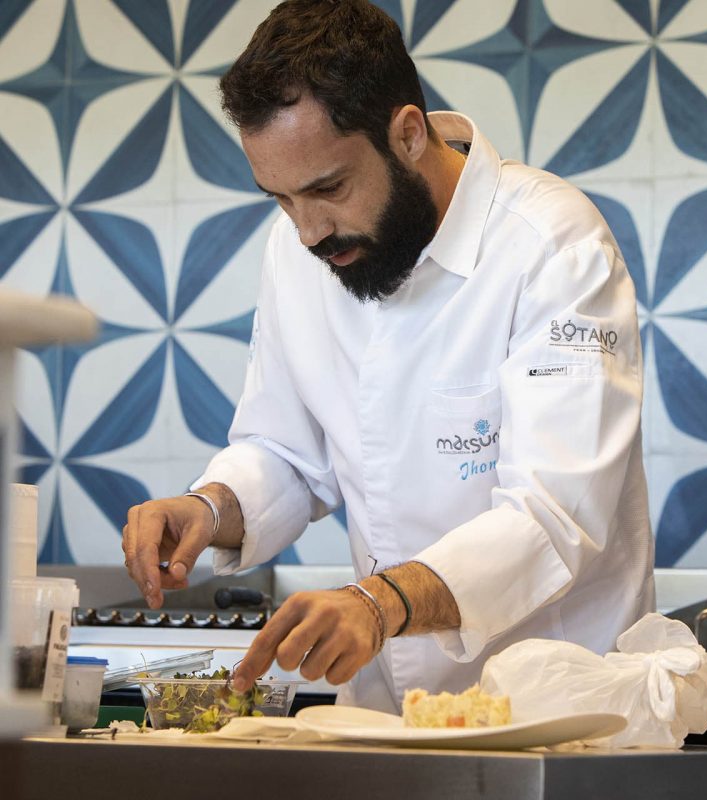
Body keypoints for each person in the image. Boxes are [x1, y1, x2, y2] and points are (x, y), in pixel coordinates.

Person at [122, 0, 654, 713]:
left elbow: (555, 517)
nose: (308, 230)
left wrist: (377, 603)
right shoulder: (300, 249)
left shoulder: (552, 245)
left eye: (328, 188)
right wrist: (209, 507)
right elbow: (285, 450)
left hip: (561, 720)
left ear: (407, 133)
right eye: (279, 199)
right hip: (390, 723)